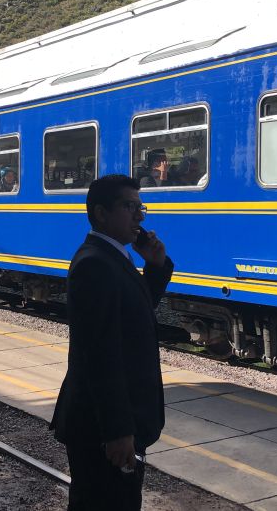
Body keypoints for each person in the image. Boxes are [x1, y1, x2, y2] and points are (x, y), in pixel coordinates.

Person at [50, 174, 173, 511]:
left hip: (112, 422)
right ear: (101, 214)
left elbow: (135, 314)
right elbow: (100, 355)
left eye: (140, 207)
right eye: (129, 207)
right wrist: (117, 430)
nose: (140, 216)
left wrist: (156, 266)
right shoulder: (95, 264)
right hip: (102, 428)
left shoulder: (111, 257)